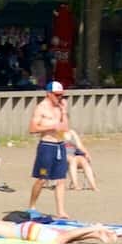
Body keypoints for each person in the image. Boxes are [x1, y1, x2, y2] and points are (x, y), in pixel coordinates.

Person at [28, 81, 73, 218]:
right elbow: (32, 129)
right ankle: (32, 206)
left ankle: (60, 210)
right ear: (49, 94)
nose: (59, 98)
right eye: (57, 95)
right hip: (47, 146)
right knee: (42, 178)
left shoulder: (60, 108)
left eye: (61, 95)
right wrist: (51, 127)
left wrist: (64, 112)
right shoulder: (41, 108)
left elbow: (65, 128)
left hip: (59, 145)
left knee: (61, 179)